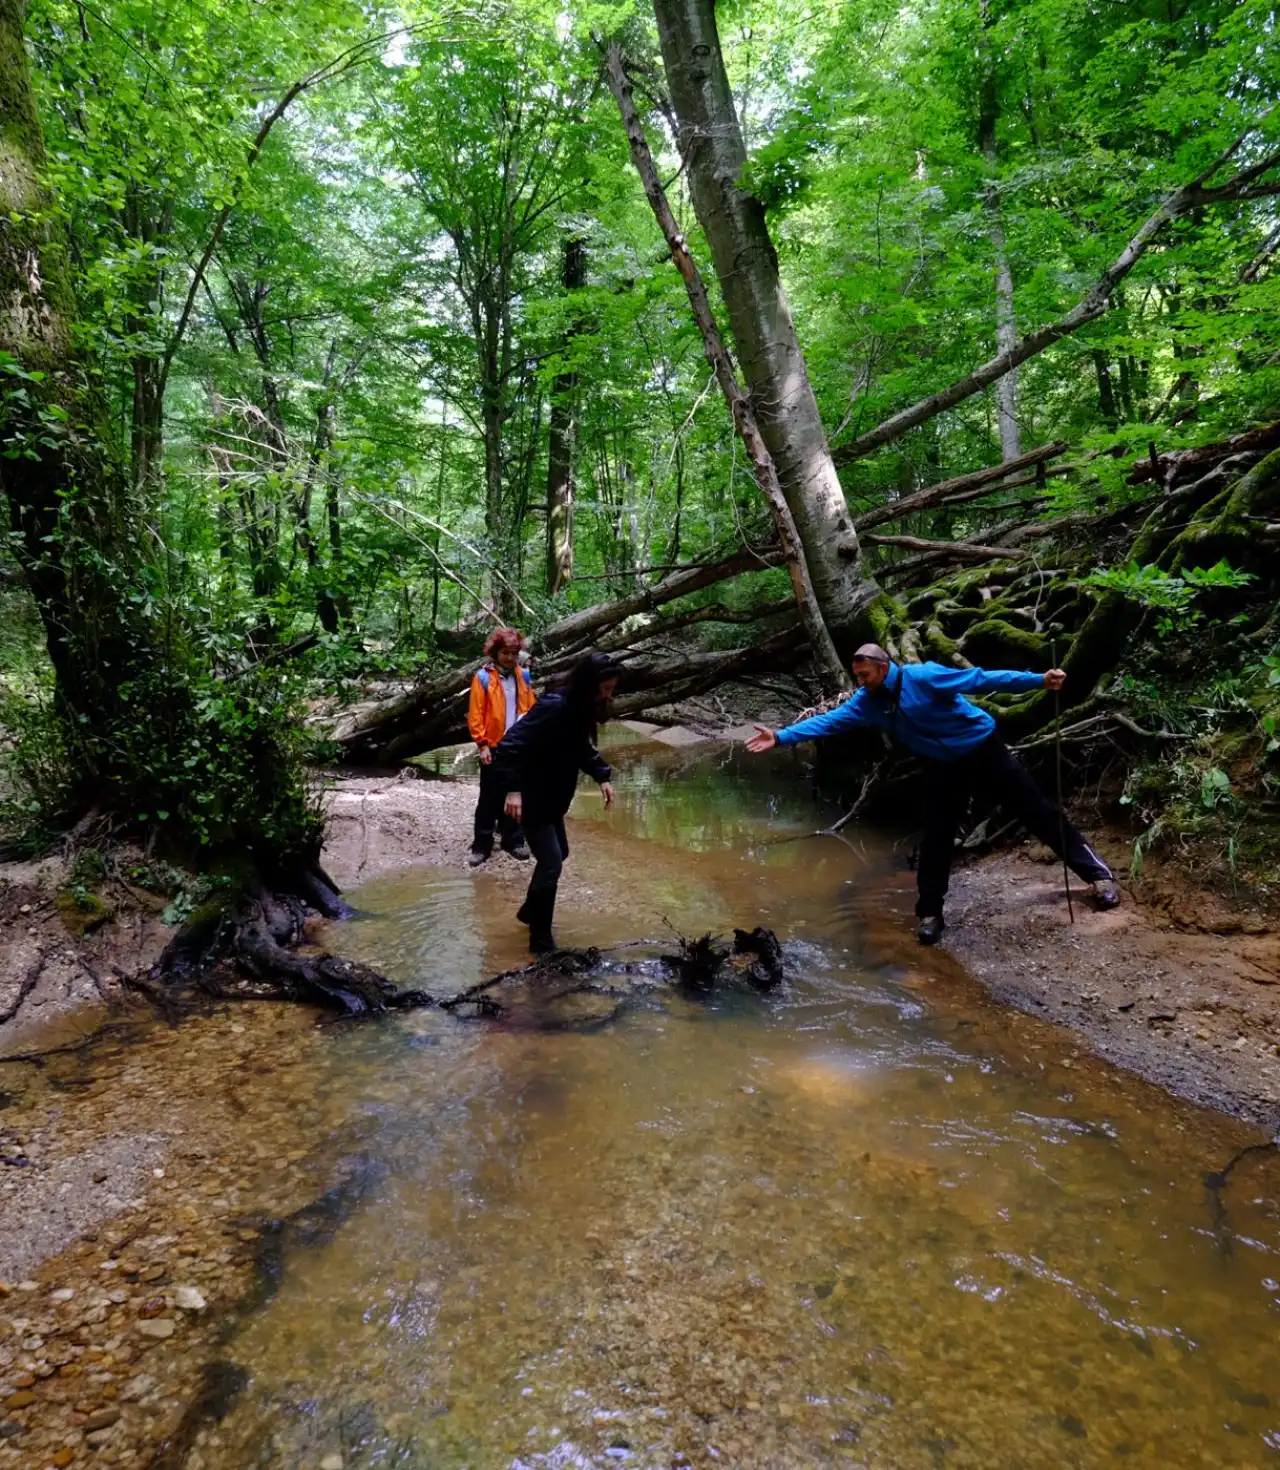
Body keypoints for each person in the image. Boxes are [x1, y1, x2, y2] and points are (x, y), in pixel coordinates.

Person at [746, 644, 1120, 945]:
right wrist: (780, 737)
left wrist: (1038, 680)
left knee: (1037, 812)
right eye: (856, 676)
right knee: (937, 838)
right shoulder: (866, 703)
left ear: (883, 666)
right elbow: (827, 721)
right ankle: (930, 915)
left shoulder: (924, 677)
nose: (860, 683)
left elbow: (980, 679)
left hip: (983, 749)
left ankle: (1098, 877)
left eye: (864, 675)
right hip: (943, 766)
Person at [493, 651, 620, 953]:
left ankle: (529, 910)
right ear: (590, 684)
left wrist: (602, 776)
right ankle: (540, 940)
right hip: (532, 797)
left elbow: (580, 748)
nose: (608, 696)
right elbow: (509, 745)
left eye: (612, 690)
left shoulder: (577, 711)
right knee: (551, 863)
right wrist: (512, 791)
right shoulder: (554, 706)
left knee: (559, 853)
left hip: (553, 800)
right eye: (605, 689)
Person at [467, 628, 537, 867]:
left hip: (518, 745)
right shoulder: (483, 678)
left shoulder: (523, 676)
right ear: (495, 652)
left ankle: (513, 839)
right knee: (489, 797)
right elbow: (475, 714)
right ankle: (481, 845)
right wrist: (482, 744)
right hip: (493, 746)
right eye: (505, 652)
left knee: (517, 793)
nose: (509, 657)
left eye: (514, 653)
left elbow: (531, 709)